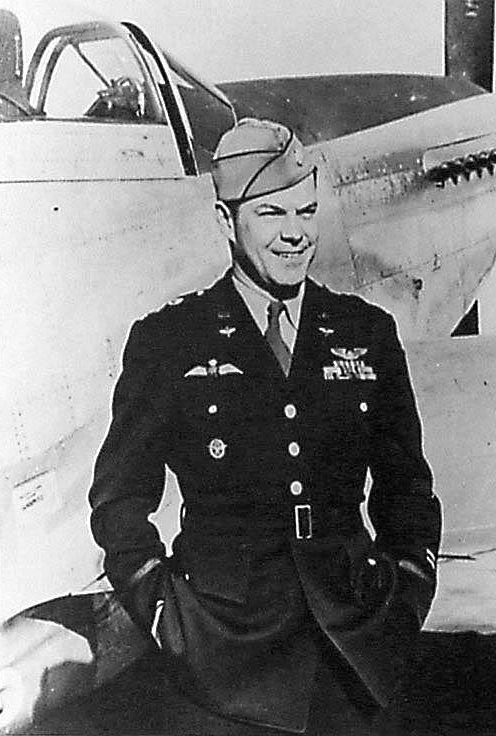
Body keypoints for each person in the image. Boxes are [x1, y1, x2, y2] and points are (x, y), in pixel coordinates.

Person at [89, 118, 441, 735]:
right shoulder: (170, 341)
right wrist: (165, 614)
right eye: (272, 213)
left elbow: (407, 487)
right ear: (228, 221)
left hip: (355, 652)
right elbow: (119, 500)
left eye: (306, 211)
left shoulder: (366, 333)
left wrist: (407, 589)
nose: (295, 234)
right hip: (221, 662)